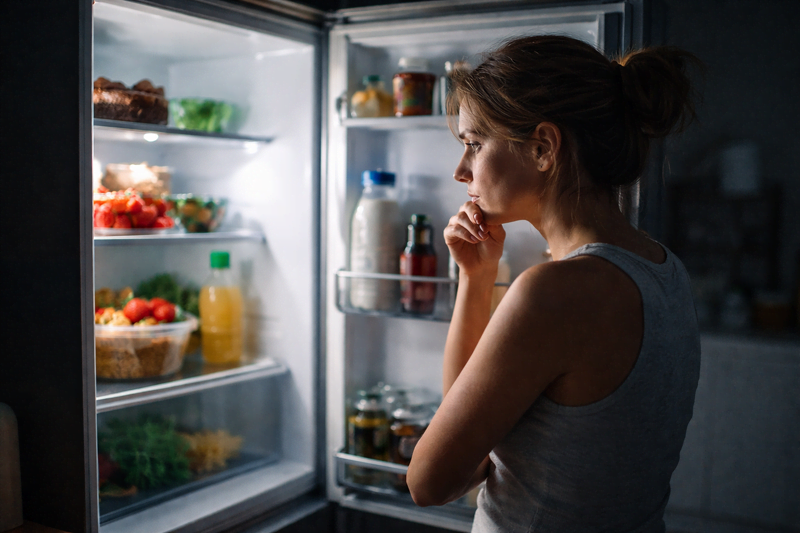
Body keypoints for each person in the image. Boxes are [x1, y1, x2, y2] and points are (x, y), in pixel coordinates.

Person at [405, 35, 702, 532]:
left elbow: (431, 481)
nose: (461, 171)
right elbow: (470, 440)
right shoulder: (666, 269)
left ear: (543, 148)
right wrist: (476, 279)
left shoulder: (554, 294)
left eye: (474, 145)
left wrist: (476, 285)